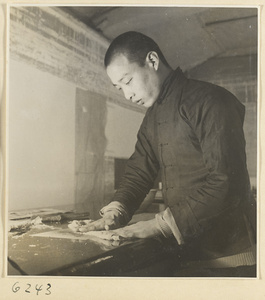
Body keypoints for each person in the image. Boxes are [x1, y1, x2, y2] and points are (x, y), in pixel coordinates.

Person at [74, 31, 256, 268]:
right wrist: (116, 212)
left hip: (230, 255)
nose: (127, 95)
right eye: (119, 88)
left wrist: (157, 225)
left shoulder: (210, 101)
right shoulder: (152, 118)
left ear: (152, 61)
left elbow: (225, 182)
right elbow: (139, 172)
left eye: (128, 81)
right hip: (186, 250)